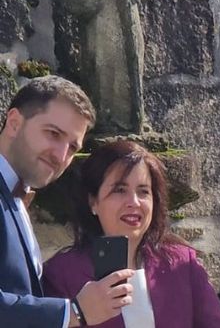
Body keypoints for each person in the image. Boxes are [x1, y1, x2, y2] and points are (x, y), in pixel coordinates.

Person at [43, 140, 220, 327]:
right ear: (93, 202)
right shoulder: (61, 273)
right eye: (119, 190)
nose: (133, 202)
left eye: (143, 191)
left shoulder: (181, 263)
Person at [0, 75, 136, 327]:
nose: (61, 155)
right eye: (53, 133)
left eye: (73, 147)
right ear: (15, 123)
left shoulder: (17, 195)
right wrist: (74, 311)